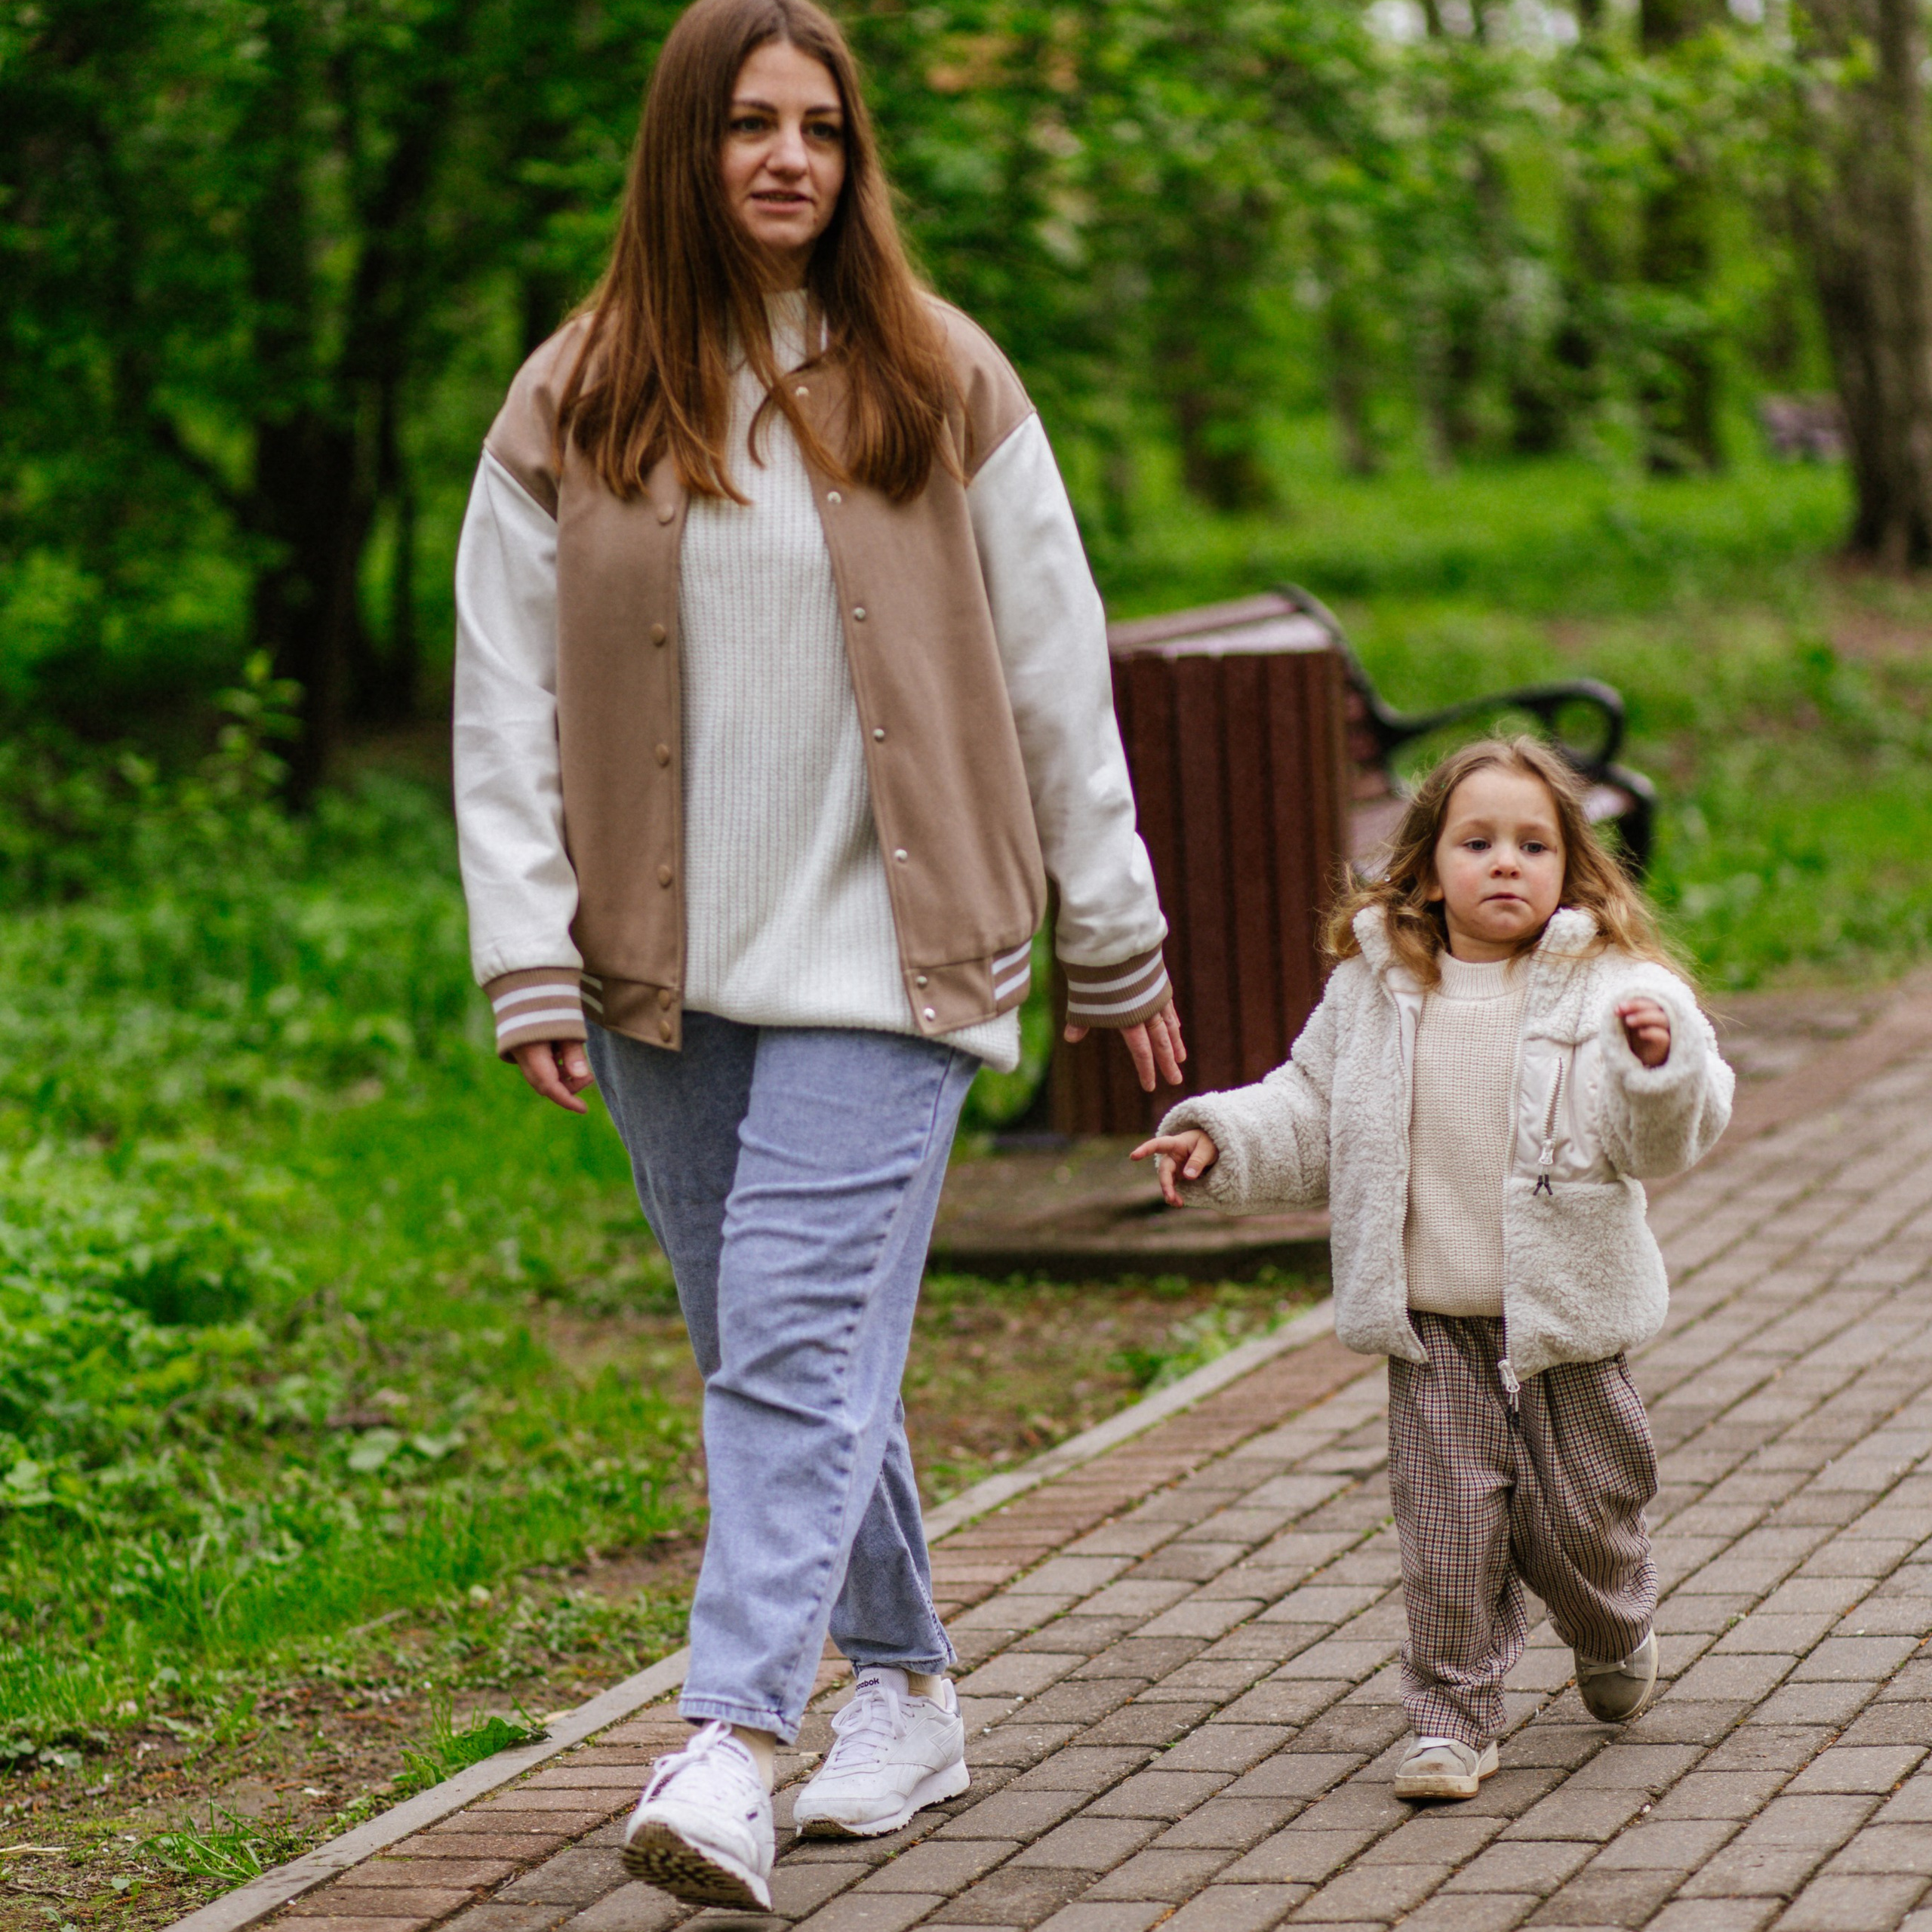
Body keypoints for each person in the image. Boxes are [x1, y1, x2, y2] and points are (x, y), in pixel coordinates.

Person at [451, 0, 1184, 1906]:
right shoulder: (577, 394)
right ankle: (914, 1687)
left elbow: (1052, 665)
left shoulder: (940, 377)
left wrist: (1113, 942)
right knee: (778, 1345)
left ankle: (726, 1734)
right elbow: (501, 696)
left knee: (784, 1340)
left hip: (895, 947)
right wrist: (529, 950)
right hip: (665, 972)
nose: (789, 158)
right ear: (684, 149)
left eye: (823, 130)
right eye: (749, 125)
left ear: (856, 160)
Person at [1133, 737, 1731, 1801]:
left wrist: (1658, 1066)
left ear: (1571, 866)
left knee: (1588, 1517)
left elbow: (1672, 1137)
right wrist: (1222, 1138)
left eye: (1533, 844)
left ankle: (1611, 1627)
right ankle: (1450, 1721)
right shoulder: (1376, 988)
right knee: (1450, 1526)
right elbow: (1310, 1107)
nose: (1507, 863)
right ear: (1424, 863)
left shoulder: (1616, 988)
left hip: (1567, 1316)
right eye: (1479, 841)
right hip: (1432, 1315)